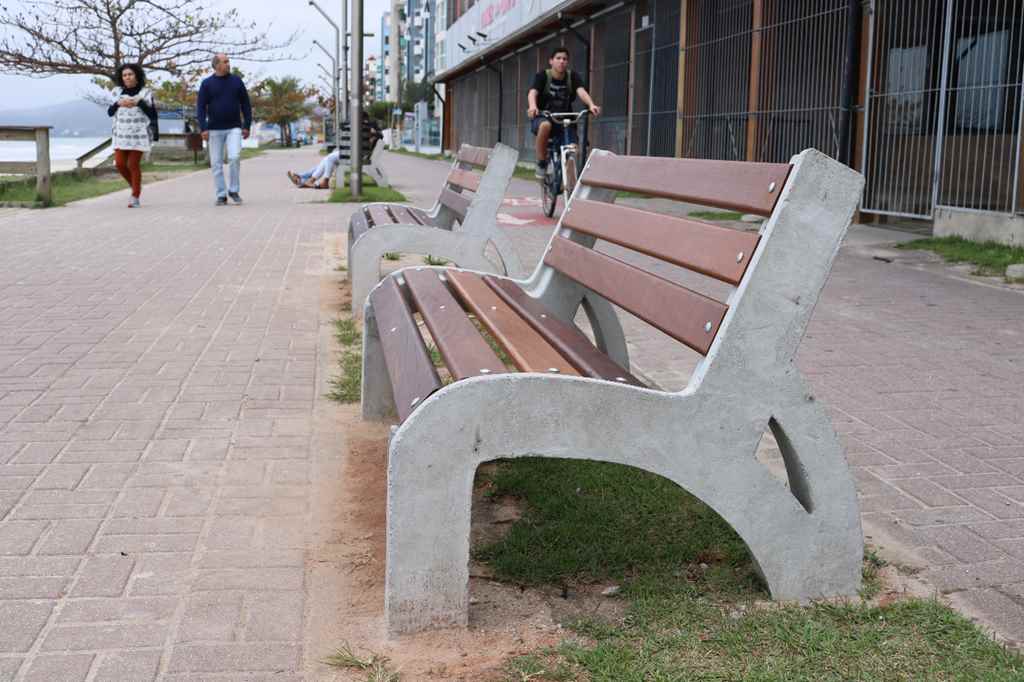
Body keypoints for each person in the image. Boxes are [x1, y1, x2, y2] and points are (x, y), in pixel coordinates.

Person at [526, 47, 601, 179]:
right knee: (545, 126)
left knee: (573, 149)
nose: (561, 61)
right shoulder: (543, 76)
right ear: (551, 61)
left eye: (565, 59)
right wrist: (533, 106)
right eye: (558, 58)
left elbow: (581, 91)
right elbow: (533, 92)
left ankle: (569, 183)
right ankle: (542, 162)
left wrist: (591, 104)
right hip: (544, 116)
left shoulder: (572, 76)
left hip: (565, 121)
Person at [196, 53, 252, 205]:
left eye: (228, 61)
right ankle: (221, 194)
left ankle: (234, 190)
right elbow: (200, 107)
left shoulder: (237, 81)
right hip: (214, 129)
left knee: (234, 157)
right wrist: (203, 128)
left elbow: (246, 104)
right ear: (216, 65)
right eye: (225, 61)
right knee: (216, 163)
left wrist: (247, 125)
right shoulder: (207, 84)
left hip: (234, 127)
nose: (228, 64)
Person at [107, 63, 157, 208]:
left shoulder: (145, 93)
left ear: (136, 75)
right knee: (119, 164)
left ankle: (135, 196)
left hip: (139, 135)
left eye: (130, 74)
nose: (127, 77)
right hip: (120, 135)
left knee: (132, 164)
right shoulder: (116, 92)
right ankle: (136, 186)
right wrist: (119, 104)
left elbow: (152, 114)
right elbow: (110, 112)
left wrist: (139, 102)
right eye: (124, 75)